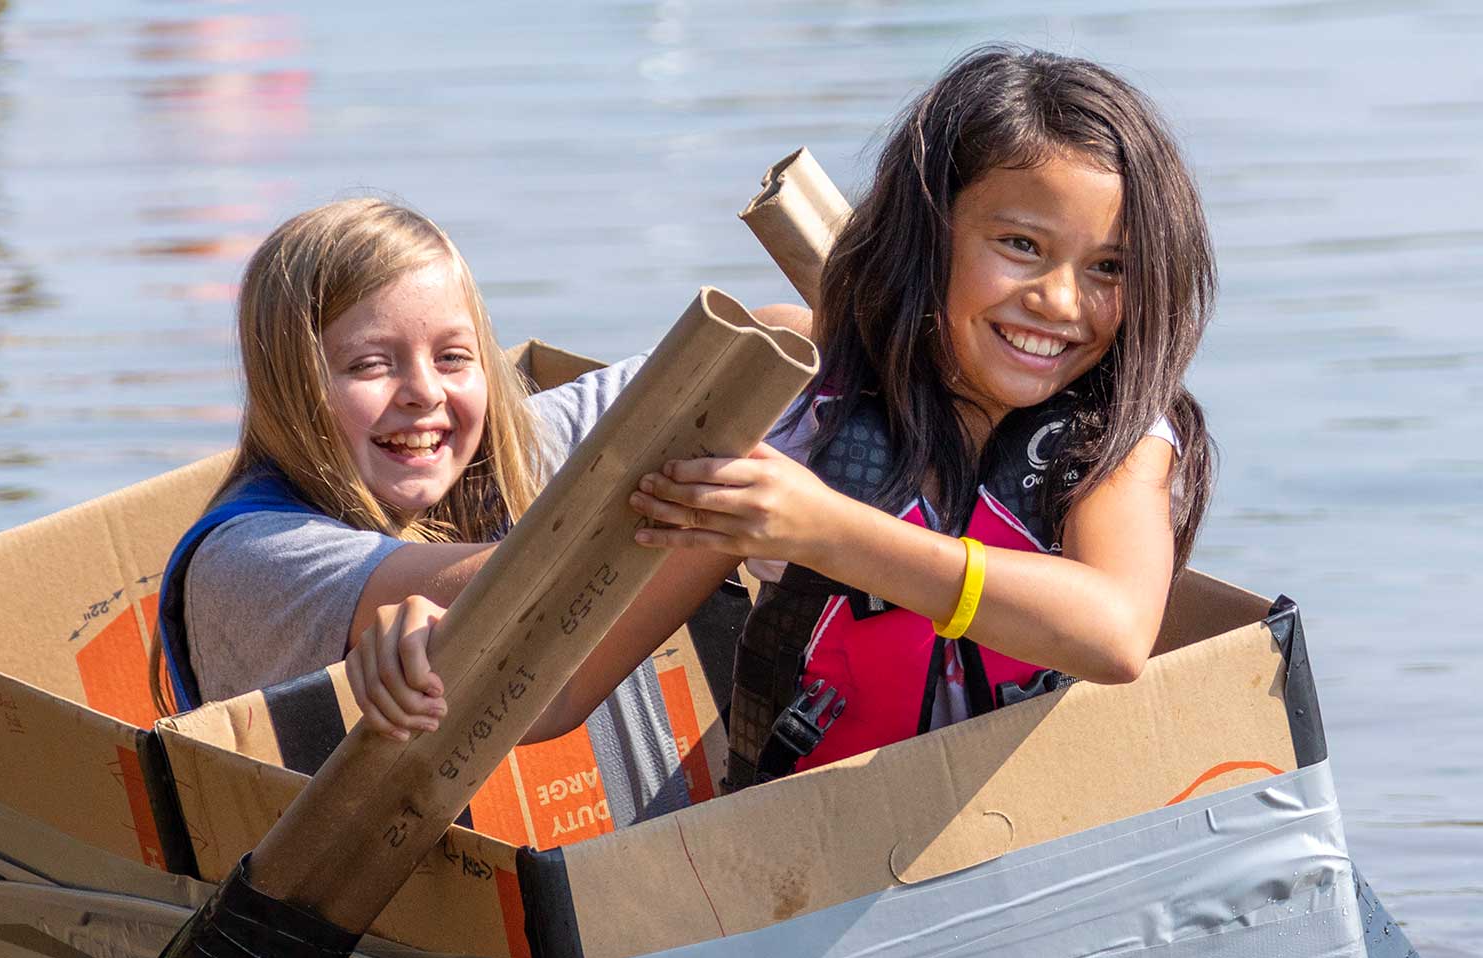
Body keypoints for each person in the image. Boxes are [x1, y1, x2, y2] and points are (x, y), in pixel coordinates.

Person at [358, 46, 1217, 796]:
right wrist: (431, 661)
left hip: (1030, 862)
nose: (1062, 302)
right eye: (1021, 246)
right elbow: (561, 691)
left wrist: (826, 529)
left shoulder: (1117, 436)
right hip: (795, 871)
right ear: (930, 231)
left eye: (1110, 267)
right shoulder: (795, 398)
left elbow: (1113, 634)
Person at [152, 197, 752, 825]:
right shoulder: (249, 558)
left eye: (452, 357)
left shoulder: (497, 453)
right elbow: (522, 588)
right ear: (290, 388)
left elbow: (766, 337)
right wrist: (752, 502)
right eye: (370, 364)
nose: (425, 392)